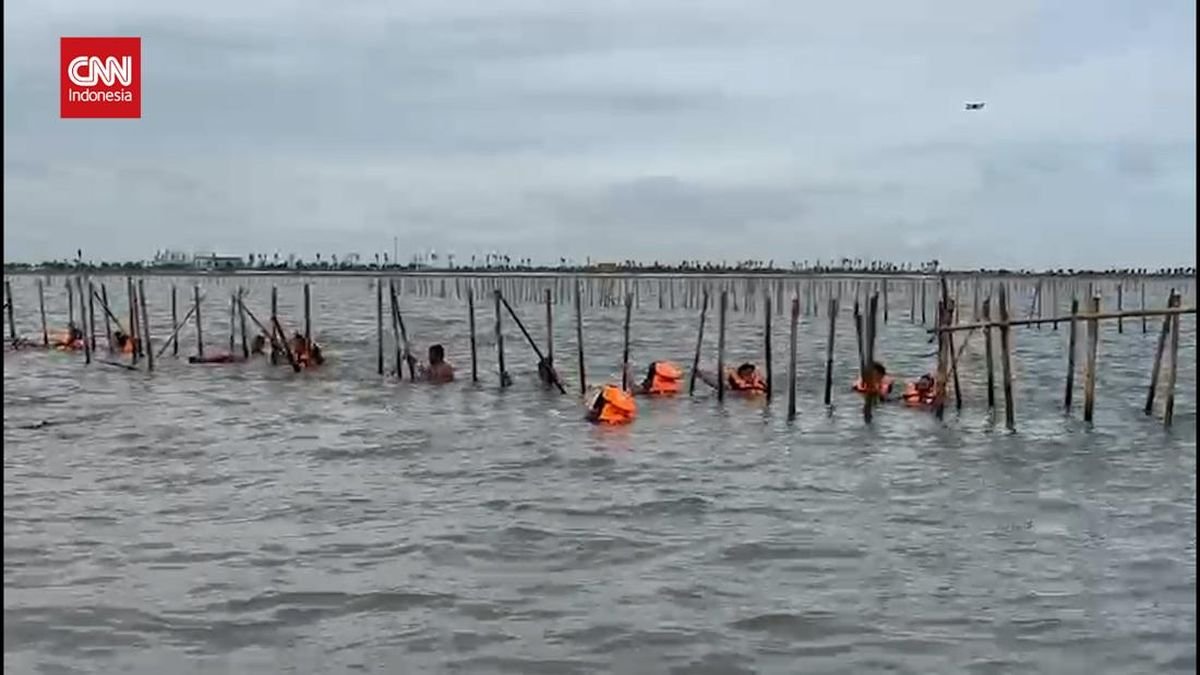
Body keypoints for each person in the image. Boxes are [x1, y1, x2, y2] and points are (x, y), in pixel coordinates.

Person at [696, 362, 768, 395]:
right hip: (730, 388)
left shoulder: (757, 380)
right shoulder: (736, 379)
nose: (749, 376)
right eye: (746, 374)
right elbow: (738, 384)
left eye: (750, 373)